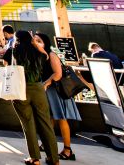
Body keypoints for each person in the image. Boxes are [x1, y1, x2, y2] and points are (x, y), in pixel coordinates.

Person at [3, 30, 60, 165]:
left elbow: (6, 66)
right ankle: (54, 159)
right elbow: (46, 56)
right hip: (38, 88)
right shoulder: (37, 51)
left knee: (28, 123)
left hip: (20, 88)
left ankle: (34, 158)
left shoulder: (13, 50)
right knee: (45, 123)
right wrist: (34, 43)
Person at [37, 32, 79, 161]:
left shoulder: (51, 54)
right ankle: (47, 143)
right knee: (50, 118)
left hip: (57, 91)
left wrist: (46, 83)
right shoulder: (40, 56)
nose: (35, 43)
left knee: (61, 119)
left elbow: (58, 74)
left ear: (45, 43)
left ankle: (67, 149)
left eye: (39, 41)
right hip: (48, 91)